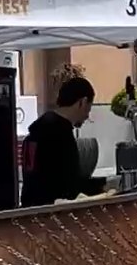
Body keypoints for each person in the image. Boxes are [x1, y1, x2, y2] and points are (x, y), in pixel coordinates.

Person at [19, 76, 109, 206]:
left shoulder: (34, 134)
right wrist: (103, 186)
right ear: (82, 102)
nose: (87, 116)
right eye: (88, 109)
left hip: (29, 209)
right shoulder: (60, 135)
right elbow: (69, 186)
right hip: (52, 212)